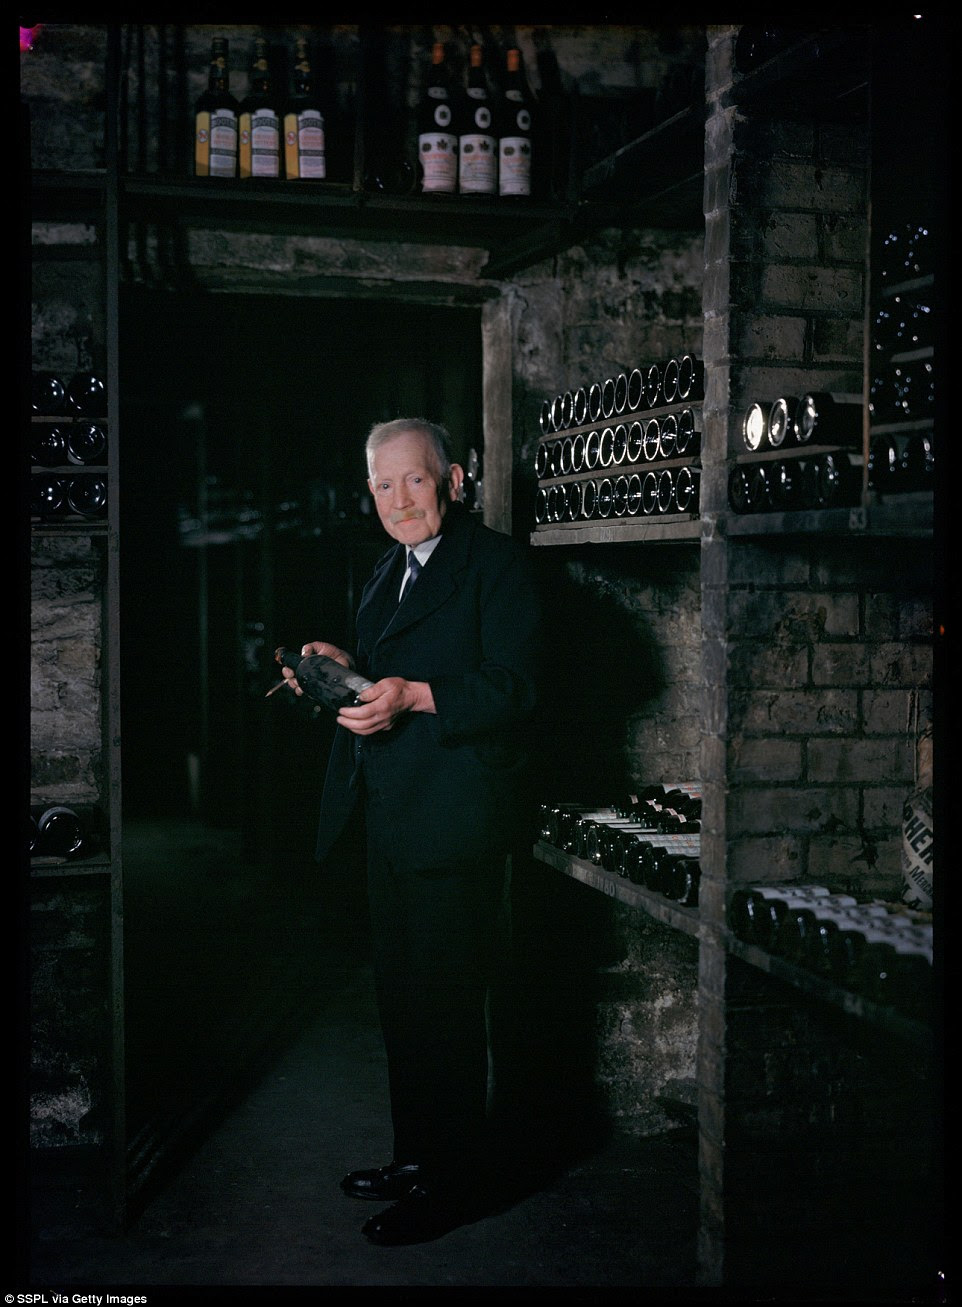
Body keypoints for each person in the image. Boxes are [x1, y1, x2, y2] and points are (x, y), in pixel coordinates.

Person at [282, 417, 543, 1245]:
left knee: (450, 1006)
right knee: (404, 999)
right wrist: (337, 669)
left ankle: (458, 1184)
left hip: (455, 816)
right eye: (383, 485)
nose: (399, 499)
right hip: (391, 814)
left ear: (454, 481)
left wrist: (415, 694)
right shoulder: (387, 568)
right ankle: (419, 1157)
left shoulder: (496, 565)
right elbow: (382, 674)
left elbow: (518, 687)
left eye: (416, 481)